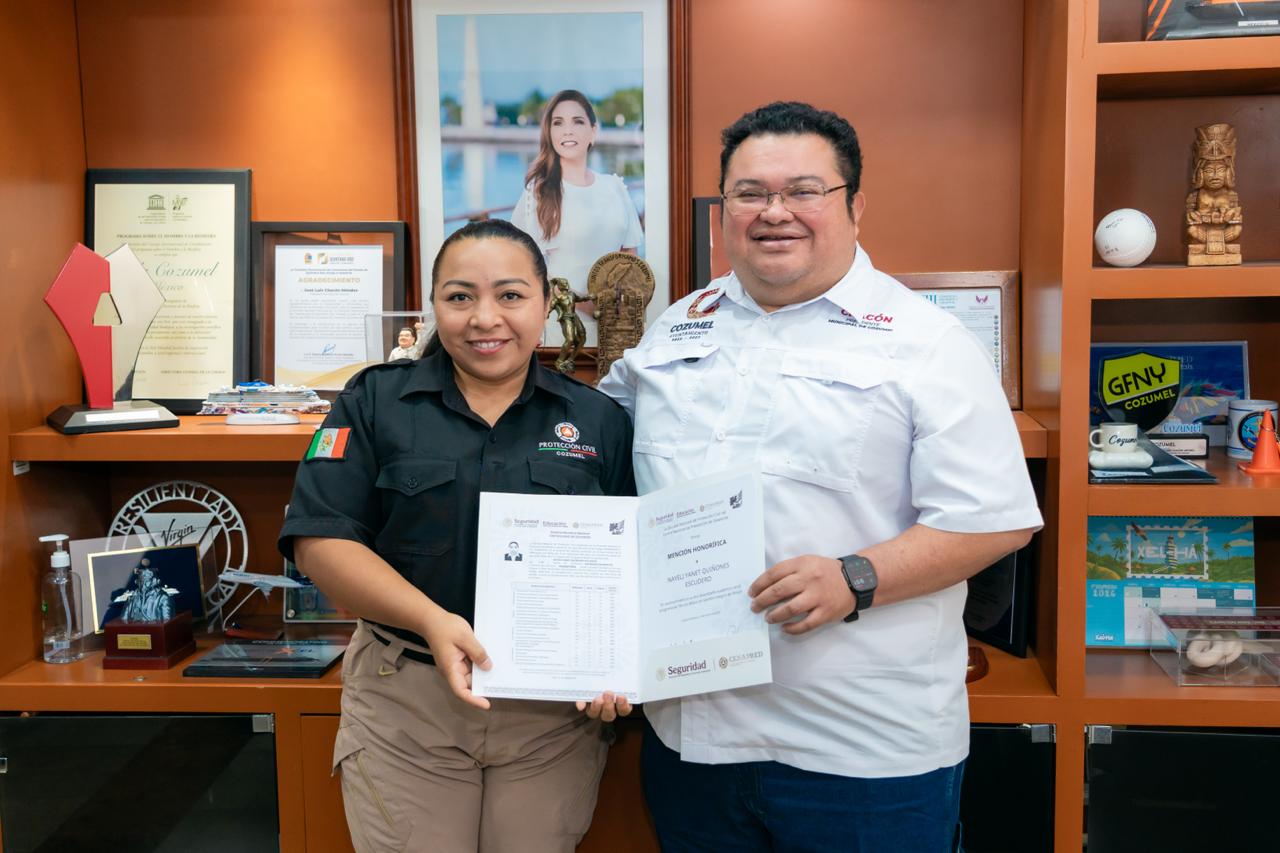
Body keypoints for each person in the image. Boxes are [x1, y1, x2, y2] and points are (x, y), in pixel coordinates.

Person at [598, 101, 1043, 851]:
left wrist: (855, 577)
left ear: (855, 206)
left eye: (804, 190)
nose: (775, 212)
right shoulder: (676, 326)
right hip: (693, 740)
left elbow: (996, 519)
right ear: (724, 212)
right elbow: (589, 444)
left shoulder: (927, 341)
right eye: (750, 193)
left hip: (863, 753)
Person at [279, 219, 635, 853]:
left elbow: (631, 563)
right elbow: (321, 541)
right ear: (434, 304)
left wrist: (617, 668)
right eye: (460, 296)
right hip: (408, 701)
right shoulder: (373, 401)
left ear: (546, 303)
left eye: (510, 295)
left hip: (550, 720)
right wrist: (432, 621)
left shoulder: (597, 419)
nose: (484, 318)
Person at [510, 89, 644, 342]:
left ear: (593, 132)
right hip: (562, 326)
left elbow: (630, 258)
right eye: (558, 123)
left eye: (577, 122)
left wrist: (621, 309)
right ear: (549, 133)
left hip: (616, 329)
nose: (568, 131)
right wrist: (585, 305)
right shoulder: (537, 193)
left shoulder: (615, 187)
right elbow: (526, 267)